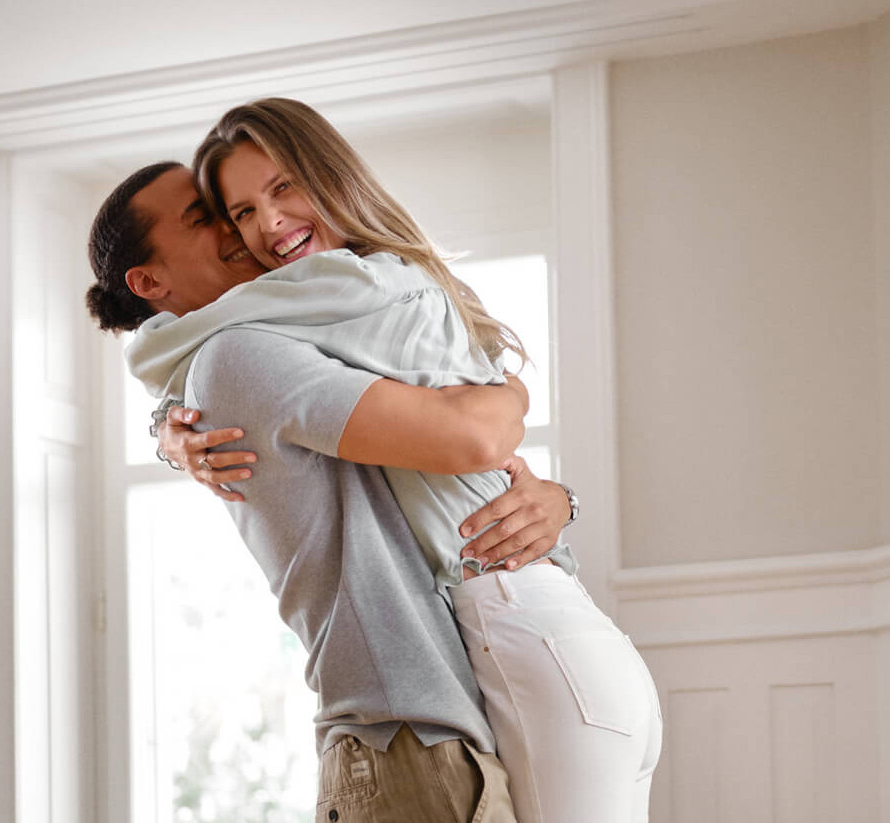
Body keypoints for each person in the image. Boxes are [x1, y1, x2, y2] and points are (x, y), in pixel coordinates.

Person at [143, 97, 662, 822]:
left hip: (519, 626)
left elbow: (209, 344)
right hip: (569, 634)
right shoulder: (402, 281)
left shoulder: (342, 291)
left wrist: (166, 407)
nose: (267, 226)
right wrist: (170, 430)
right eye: (243, 213)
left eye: (284, 188)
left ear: (330, 176)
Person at [87, 160, 576, 822]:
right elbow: (473, 433)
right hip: (408, 739)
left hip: (426, 733)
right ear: (149, 282)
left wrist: (556, 498)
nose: (240, 228)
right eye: (205, 218)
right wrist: (511, 395)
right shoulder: (237, 356)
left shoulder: (269, 343)